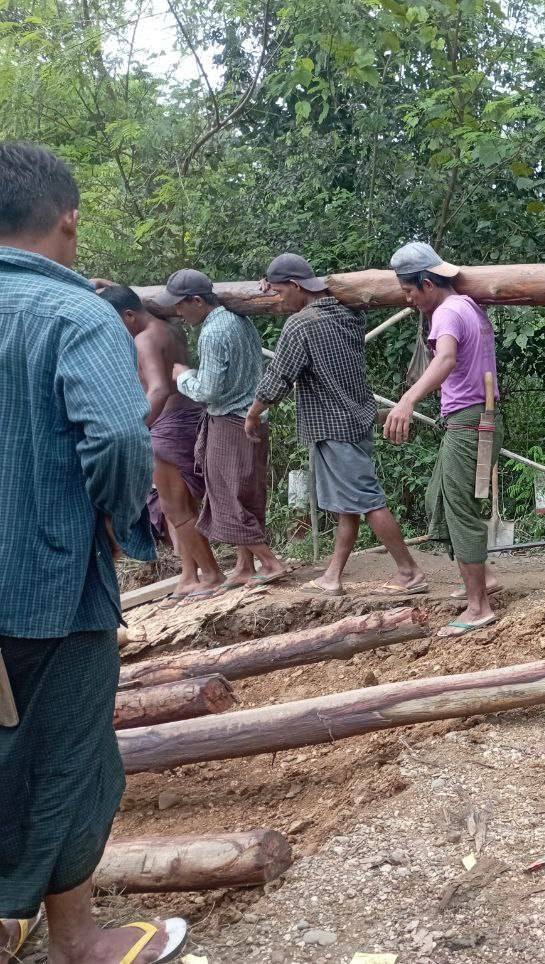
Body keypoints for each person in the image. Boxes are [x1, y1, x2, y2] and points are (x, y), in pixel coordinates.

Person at [0, 142, 188, 962]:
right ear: (68, 221)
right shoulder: (75, 314)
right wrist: (118, 519)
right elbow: (115, 434)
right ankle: (81, 944)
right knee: (68, 760)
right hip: (45, 586)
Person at [247, 253, 425, 596]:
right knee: (349, 505)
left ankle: (409, 571)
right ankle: (333, 575)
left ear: (296, 286)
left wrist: (253, 414)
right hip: (356, 420)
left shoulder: (301, 325)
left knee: (367, 501)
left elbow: (277, 380)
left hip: (333, 427)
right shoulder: (348, 314)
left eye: (281, 292)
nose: (280, 301)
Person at [383, 241, 501, 637]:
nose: (408, 298)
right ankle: (485, 578)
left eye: (409, 291)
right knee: (441, 498)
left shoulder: (447, 312)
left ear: (428, 283)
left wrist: (407, 400)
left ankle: (478, 605)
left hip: (468, 421)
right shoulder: (468, 306)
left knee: (461, 510)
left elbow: (446, 358)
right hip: (473, 418)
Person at [157, 268, 287, 588]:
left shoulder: (213, 333)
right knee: (247, 494)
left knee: (227, 497)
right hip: (251, 417)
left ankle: (270, 564)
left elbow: (209, 392)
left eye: (180, 305)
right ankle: (245, 565)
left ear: (197, 301)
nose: (178, 312)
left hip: (229, 421)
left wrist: (183, 376)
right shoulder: (240, 320)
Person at [98, 284, 224, 605]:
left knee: (175, 509)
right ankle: (187, 575)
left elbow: (157, 390)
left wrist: (136, 428)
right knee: (182, 504)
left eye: (115, 322)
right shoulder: (168, 327)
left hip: (166, 426)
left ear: (129, 316)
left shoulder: (143, 340)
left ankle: (210, 574)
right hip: (189, 418)